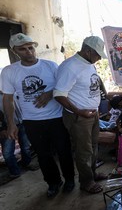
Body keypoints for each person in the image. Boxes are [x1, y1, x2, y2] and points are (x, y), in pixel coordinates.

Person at [1, 33, 74, 197]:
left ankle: (69, 179)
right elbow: (8, 99)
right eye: (23, 49)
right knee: (43, 154)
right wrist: (11, 123)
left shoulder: (51, 66)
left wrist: (49, 94)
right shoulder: (9, 71)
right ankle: (53, 183)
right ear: (15, 52)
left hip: (56, 117)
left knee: (64, 150)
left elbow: (64, 86)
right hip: (31, 121)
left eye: (31, 47)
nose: (29, 51)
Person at [54, 36, 107, 194]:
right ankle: (86, 181)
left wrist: (101, 99)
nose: (98, 58)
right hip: (79, 117)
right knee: (83, 150)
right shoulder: (70, 66)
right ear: (87, 50)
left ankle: (92, 173)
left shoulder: (89, 64)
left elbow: (92, 84)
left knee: (94, 146)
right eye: (97, 55)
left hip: (93, 114)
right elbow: (59, 94)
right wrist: (79, 112)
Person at [0, 94, 35, 179]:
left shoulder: (14, 89)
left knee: (26, 146)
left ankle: (26, 163)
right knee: (8, 152)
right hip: (7, 127)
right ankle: (14, 171)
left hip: (22, 122)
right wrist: (1, 129)